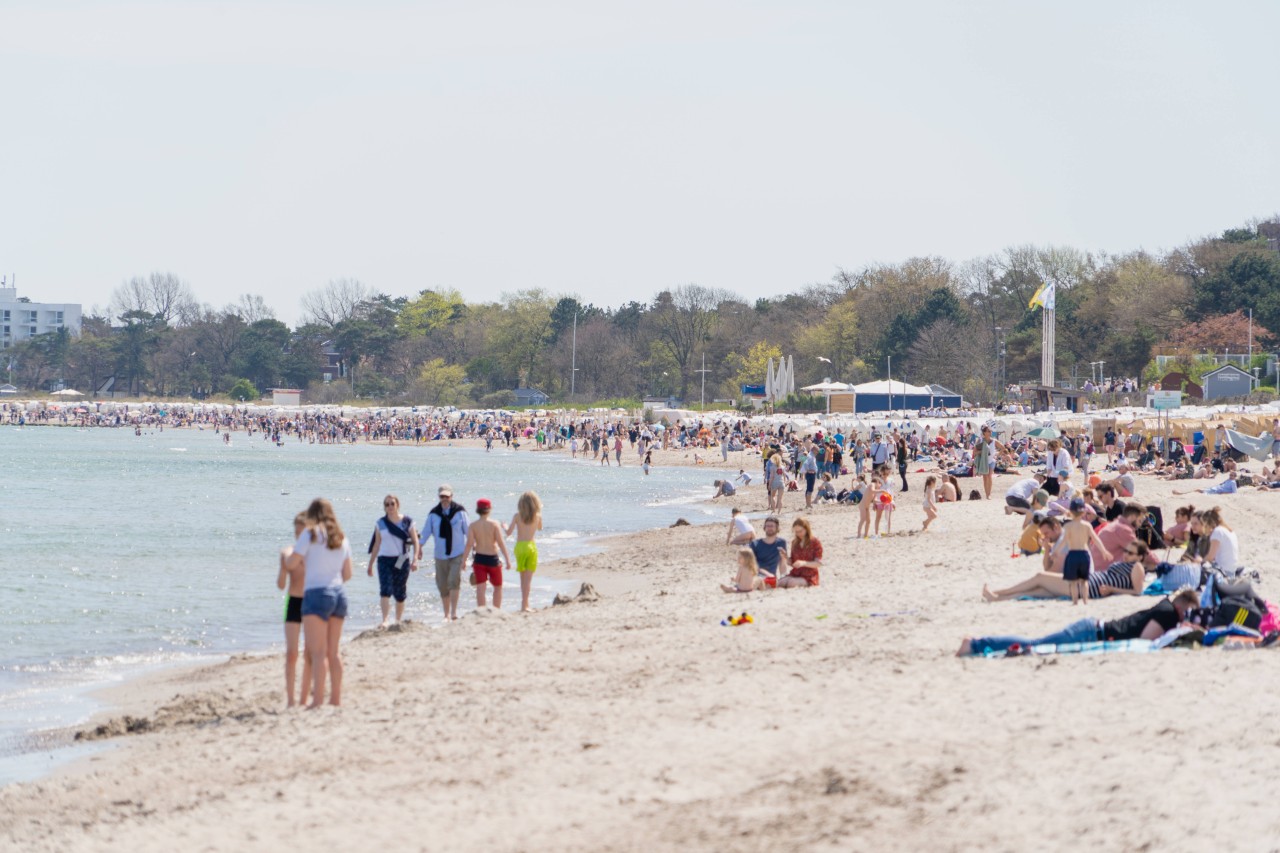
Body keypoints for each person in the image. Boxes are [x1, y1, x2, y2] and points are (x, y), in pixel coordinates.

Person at [958, 588, 1200, 656]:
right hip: (1092, 634)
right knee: (1035, 646)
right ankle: (976, 644)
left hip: (1092, 629)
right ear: (1183, 607)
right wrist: (1179, 631)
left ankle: (977, 644)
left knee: (1037, 644)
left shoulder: (1166, 606)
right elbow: (1147, 640)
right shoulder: (1169, 613)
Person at [283, 498, 353, 709]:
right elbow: (347, 574)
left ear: (312, 515)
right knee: (334, 652)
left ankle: (318, 701)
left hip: (316, 594)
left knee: (318, 652)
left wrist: (287, 560)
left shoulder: (310, 534)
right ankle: (336, 699)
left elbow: (292, 563)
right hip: (339, 593)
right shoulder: (341, 538)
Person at [982, 541, 1146, 602]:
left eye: (1130, 553)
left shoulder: (1137, 567)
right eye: (1126, 551)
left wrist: (1112, 590)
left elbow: (1138, 591)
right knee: (1038, 591)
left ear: (1139, 557)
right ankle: (997, 598)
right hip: (1087, 583)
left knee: (1040, 577)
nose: (1126, 554)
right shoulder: (1128, 564)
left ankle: (998, 592)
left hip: (1088, 587)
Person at [366, 494, 419, 628]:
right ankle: (385, 620)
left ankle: (398, 620)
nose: (390, 506)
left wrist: (415, 559)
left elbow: (415, 541)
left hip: (402, 559)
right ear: (384, 507)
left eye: (392, 504)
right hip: (384, 560)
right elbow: (376, 545)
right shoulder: (380, 523)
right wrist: (370, 564)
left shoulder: (407, 522)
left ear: (397, 505)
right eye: (387, 504)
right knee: (385, 590)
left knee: (400, 591)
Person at [276, 512, 311, 707]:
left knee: (309, 652)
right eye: (297, 531)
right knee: (292, 653)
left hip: (312, 602)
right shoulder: (287, 553)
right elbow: (281, 585)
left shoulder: (314, 553)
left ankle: (305, 697)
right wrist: (283, 568)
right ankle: (290, 699)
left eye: (303, 531)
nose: (299, 535)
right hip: (294, 603)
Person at [425, 484, 469, 621]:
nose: (444, 499)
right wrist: (418, 547)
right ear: (439, 497)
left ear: (451, 496)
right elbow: (426, 532)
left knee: (453, 582)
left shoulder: (460, 512)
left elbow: (469, 532)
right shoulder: (433, 514)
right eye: (442, 496)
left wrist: (473, 551)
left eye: (447, 496)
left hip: (457, 553)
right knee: (443, 586)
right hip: (440, 555)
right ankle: (446, 614)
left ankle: (454, 613)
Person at [461, 498, 511, 610]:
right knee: (498, 587)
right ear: (489, 510)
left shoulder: (473, 525)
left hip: (479, 559)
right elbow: (501, 543)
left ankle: (482, 611)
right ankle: (496, 610)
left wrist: (463, 561)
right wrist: (508, 560)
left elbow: (469, 544)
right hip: (492, 558)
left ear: (477, 510)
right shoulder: (494, 524)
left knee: (480, 587)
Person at [1061, 498, 1110, 606]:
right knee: (1085, 581)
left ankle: (1074, 602)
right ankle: (1085, 601)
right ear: (1083, 512)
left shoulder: (1068, 526)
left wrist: (1054, 551)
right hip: (1084, 554)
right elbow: (1095, 539)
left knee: (1073, 582)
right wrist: (1104, 550)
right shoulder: (1087, 525)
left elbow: (1062, 541)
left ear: (1070, 511)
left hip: (1072, 554)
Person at [504, 491, 543, 612]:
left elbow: (508, 533)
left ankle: (523, 604)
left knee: (522, 578)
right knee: (528, 578)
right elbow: (540, 528)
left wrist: (504, 526)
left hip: (520, 547)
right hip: (531, 546)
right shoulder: (537, 516)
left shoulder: (517, 516)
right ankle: (525, 604)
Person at [778, 517, 823, 588]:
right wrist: (785, 557)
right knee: (780, 582)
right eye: (796, 532)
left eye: (800, 531)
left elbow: (818, 563)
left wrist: (804, 563)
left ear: (806, 529)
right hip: (795, 573)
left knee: (791, 583)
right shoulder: (794, 543)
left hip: (809, 575)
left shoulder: (815, 542)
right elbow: (793, 564)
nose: (799, 534)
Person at [748, 516, 789, 587]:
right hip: (757, 575)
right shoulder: (755, 543)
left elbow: (782, 562)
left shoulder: (781, 543)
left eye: (772, 526)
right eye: (767, 526)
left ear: (777, 528)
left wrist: (783, 577)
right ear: (764, 528)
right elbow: (751, 564)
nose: (769, 528)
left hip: (771, 577)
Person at [1201, 506, 1239, 574]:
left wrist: (1199, 564)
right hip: (1232, 571)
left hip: (1223, 572)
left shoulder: (1217, 532)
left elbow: (1210, 557)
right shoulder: (1229, 530)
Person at [973, 425, 1006, 499]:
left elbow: (1003, 448)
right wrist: (982, 451)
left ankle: (989, 494)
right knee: (985, 478)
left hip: (991, 461)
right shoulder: (980, 441)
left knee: (989, 476)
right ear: (984, 432)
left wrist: (997, 455)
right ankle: (987, 494)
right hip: (983, 461)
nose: (990, 432)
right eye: (988, 431)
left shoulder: (994, 441)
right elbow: (974, 452)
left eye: (990, 431)